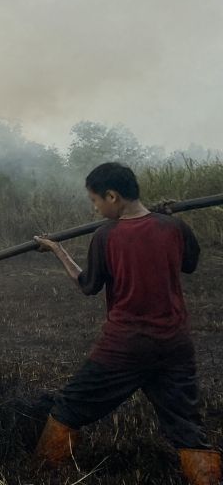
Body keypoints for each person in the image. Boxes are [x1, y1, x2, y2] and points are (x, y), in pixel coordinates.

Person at [33, 162, 220, 484]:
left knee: (69, 407)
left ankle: (44, 473)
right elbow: (190, 264)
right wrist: (168, 220)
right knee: (188, 426)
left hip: (124, 347)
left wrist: (57, 250)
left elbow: (87, 285)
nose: (95, 207)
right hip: (175, 344)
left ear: (112, 196)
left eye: (95, 201)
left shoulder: (106, 236)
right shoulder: (174, 228)